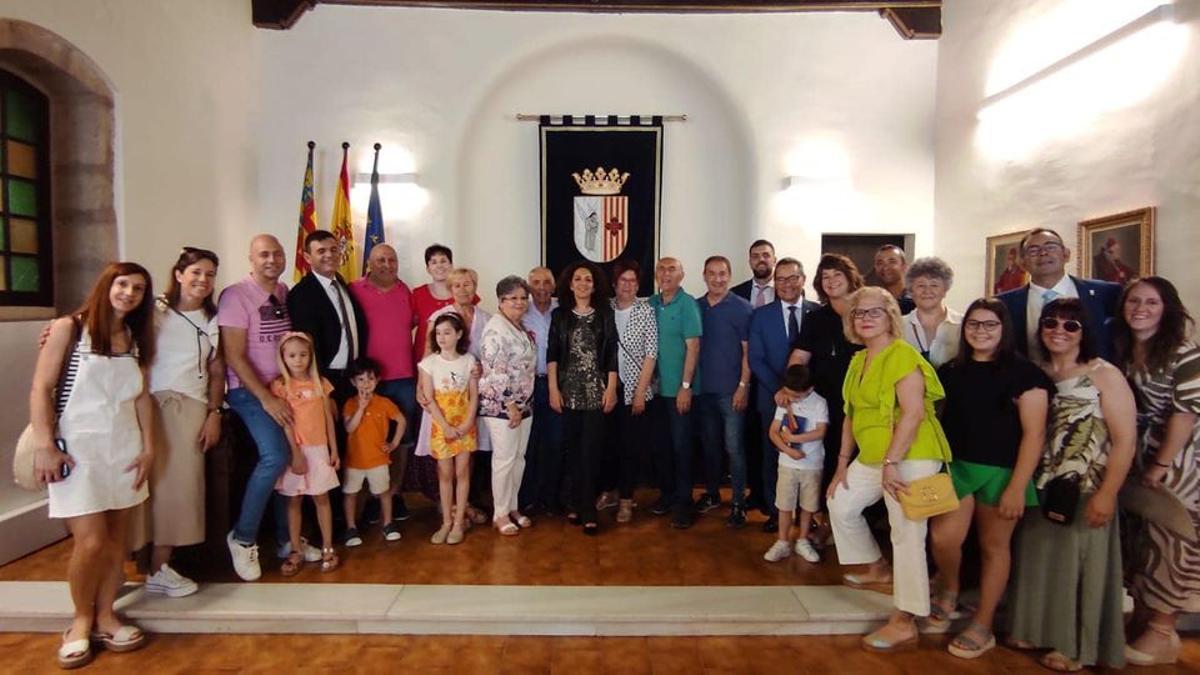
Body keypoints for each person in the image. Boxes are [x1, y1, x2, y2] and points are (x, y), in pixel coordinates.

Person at [30, 262, 156, 667]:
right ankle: (80, 619)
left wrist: (150, 448)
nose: (129, 293)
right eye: (123, 284)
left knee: (117, 541)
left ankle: (106, 614)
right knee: (91, 541)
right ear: (107, 285)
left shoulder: (134, 337)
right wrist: (45, 444)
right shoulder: (69, 329)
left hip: (124, 448)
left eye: (137, 288)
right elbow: (42, 388)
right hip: (77, 449)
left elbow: (141, 397)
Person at [1007, 298, 1136, 671]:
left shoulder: (1103, 374)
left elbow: (1125, 439)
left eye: (1070, 325)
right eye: (1051, 323)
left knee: (1080, 568)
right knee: (1041, 561)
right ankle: (1036, 630)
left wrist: (1108, 493)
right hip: (1042, 483)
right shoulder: (1037, 373)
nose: (1058, 331)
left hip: (1087, 486)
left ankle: (1077, 646)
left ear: (1084, 332)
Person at [825, 286, 952, 652]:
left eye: (873, 312)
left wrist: (891, 463)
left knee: (907, 532)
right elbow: (850, 416)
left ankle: (906, 618)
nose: (864, 319)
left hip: (911, 455)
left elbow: (912, 414)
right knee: (841, 502)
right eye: (858, 314)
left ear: (890, 316)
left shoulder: (902, 355)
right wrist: (840, 466)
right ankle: (877, 567)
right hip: (873, 456)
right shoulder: (857, 360)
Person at [928, 298, 1052, 659]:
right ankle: (949, 587)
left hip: (1002, 472)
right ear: (964, 330)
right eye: (974, 325)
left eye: (989, 325)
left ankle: (982, 624)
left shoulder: (1025, 374)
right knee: (944, 538)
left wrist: (1017, 486)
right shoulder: (951, 370)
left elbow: (1035, 434)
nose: (980, 331)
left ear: (1003, 330)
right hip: (956, 467)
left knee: (993, 548)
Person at [1112, 277, 1200, 666]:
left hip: (1178, 459)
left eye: (1151, 302)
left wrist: (1162, 463)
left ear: (1167, 308)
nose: (1140, 308)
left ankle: (1163, 628)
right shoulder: (1125, 349)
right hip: (1137, 452)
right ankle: (1147, 618)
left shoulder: (1183, 353)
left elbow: (1186, 414)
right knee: (1141, 540)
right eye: (1134, 300)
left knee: (1173, 540)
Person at [219, 234, 316, 581]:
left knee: (294, 459)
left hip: (283, 389)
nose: (271, 259)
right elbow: (233, 353)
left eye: (277, 254)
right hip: (249, 392)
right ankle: (243, 538)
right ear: (251, 259)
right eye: (263, 254)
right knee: (275, 456)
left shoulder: (283, 293)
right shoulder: (235, 295)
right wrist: (266, 397)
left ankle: (285, 540)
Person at [144, 248, 225, 598]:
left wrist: (214, 413)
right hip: (150, 404)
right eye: (196, 272)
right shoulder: (154, 312)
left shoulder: (213, 319)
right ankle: (131, 564)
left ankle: (161, 566)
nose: (203, 280)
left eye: (209, 274)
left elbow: (217, 371)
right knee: (143, 487)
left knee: (179, 489)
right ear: (179, 274)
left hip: (191, 407)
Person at [787, 254, 865, 518]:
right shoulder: (816, 318)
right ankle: (829, 519)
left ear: (850, 277)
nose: (831, 281)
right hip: (826, 400)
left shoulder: (865, 312)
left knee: (860, 459)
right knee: (829, 457)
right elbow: (800, 356)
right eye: (826, 277)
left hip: (864, 402)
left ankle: (860, 518)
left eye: (837, 275)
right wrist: (790, 385)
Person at [348, 243, 418, 523]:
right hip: (369, 381)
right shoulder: (354, 290)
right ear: (369, 264)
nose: (387, 264)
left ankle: (395, 494)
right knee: (367, 440)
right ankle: (371, 499)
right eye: (380, 260)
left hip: (403, 377)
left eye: (392, 259)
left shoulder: (406, 292)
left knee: (402, 440)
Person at [548, 260, 619, 535]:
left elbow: (611, 353)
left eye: (588, 279)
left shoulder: (604, 314)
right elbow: (552, 355)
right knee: (573, 451)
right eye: (577, 278)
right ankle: (575, 503)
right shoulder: (560, 316)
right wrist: (554, 389)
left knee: (591, 451)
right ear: (569, 283)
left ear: (594, 285)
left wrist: (611, 388)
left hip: (596, 393)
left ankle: (589, 509)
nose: (582, 283)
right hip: (568, 392)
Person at [750, 257, 820, 532]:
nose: (787, 284)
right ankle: (776, 510)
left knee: (811, 457)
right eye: (781, 279)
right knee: (774, 456)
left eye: (793, 278)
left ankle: (809, 514)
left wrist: (804, 393)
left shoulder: (818, 313)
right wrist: (782, 390)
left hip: (812, 402)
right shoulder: (761, 315)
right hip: (773, 397)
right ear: (774, 283)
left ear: (803, 279)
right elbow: (756, 358)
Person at [418, 267, 492, 524]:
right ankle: (447, 509)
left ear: (475, 286)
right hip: (443, 396)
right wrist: (421, 386)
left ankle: (465, 504)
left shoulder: (485, 317)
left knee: (469, 451)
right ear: (450, 290)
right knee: (445, 454)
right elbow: (428, 353)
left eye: (468, 284)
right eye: (457, 285)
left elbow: (489, 354)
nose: (463, 289)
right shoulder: (440, 316)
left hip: (473, 393)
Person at [271, 332, 341, 575]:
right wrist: (294, 453)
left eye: (303, 355)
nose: (298, 360)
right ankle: (295, 548)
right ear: (283, 358)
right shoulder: (281, 387)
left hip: (319, 448)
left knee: (322, 497)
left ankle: (328, 547)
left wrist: (333, 448)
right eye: (292, 355)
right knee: (294, 499)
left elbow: (328, 419)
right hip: (297, 450)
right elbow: (286, 423)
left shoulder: (320, 383)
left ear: (310, 356)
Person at [996, 228, 1121, 362]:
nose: (1043, 253)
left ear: (1066, 254)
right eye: (1033, 250)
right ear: (1022, 262)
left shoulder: (1106, 293)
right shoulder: (1004, 304)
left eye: (1051, 247)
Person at [696, 255, 753, 526]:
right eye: (712, 273)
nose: (718, 279)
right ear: (704, 275)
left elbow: (747, 353)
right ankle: (712, 494)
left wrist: (743, 386)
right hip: (703, 391)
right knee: (709, 447)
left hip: (731, 393)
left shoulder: (743, 308)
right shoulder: (696, 307)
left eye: (723, 274)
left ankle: (739, 503)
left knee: (734, 449)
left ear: (729, 276)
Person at [601, 259, 659, 524]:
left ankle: (626, 499)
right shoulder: (605, 308)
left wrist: (640, 391)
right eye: (623, 280)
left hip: (636, 390)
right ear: (615, 284)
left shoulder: (646, 311)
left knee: (630, 448)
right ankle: (610, 491)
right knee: (608, 445)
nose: (628, 285)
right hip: (608, 389)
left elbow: (651, 354)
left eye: (633, 281)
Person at [480, 275, 538, 536]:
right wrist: (511, 405)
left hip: (525, 405)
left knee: (518, 459)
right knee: (504, 460)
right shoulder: (495, 330)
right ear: (501, 301)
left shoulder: (519, 326)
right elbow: (495, 372)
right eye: (512, 298)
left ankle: (513, 506)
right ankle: (500, 513)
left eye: (523, 298)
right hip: (503, 408)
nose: (519, 302)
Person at [650, 256, 703, 529]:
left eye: (672, 269)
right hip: (655, 391)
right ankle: (667, 495)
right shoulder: (652, 303)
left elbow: (693, 347)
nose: (666, 273)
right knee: (662, 447)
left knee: (682, 447)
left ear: (682, 275)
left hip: (678, 391)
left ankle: (684, 502)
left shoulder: (688, 304)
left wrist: (685, 387)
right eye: (662, 268)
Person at [286, 230, 368, 400]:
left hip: (352, 374)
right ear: (308, 258)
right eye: (321, 251)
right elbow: (307, 344)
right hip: (326, 378)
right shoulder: (301, 293)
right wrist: (318, 383)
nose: (329, 255)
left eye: (333, 249)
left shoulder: (341, 284)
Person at [419, 313, 479, 545]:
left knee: (462, 472)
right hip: (441, 426)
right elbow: (429, 397)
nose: (442, 337)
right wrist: (444, 426)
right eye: (438, 333)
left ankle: (458, 521)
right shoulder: (429, 363)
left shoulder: (468, 361)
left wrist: (467, 423)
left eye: (447, 332)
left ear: (459, 334)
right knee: (444, 473)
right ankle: (446, 521)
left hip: (465, 425)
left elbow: (474, 395)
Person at [763, 364, 827, 564]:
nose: (792, 399)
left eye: (797, 396)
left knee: (808, 504)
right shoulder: (784, 402)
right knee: (784, 503)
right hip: (787, 463)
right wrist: (787, 448)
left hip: (812, 464)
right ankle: (782, 541)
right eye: (789, 394)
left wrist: (795, 439)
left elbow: (820, 431)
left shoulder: (819, 403)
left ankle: (803, 540)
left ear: (809, 389)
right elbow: (773, 431)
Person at [341, 357, 405, 547]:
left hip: (379, 459)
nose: (366, 384)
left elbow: (401, 420)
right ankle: (350, 527)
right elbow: (349, 428)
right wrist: (360, 408)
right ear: (353, 382)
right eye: (360, 379)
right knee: (351, 493)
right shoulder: (350, 404)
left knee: (383, 492)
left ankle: (387, 523)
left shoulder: (384, 403)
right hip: (354, 460)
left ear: (377, 380)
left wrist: (394, 443)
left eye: (370, 379)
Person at [520, 266, 563, 515]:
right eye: (536, 282)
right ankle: (527, 498)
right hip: (528, 384)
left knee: (556, 442)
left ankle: (552, 498)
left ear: (554, 286)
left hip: (556, 384)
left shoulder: (562, 310)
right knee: (529, 443)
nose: (542, 288)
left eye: (547, 282)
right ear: (529, 287)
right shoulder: (520, 311)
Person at [900, 257, 961, 368]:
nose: (927, 291)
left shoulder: (962, 324)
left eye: (934, 285)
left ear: (945, 290)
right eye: (920, 285)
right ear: (911, 290)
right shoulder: (898, 325)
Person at [731, 239, 777, 308]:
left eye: (766, 255)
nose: (761, 259)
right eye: (755, 256)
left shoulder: (785, 291)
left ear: (774, 260)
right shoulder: (735, 294)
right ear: (750, 263)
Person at [871, 244, 915, 314]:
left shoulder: (915, 301)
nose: (885, 267)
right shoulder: (873, 302)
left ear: (904, 267)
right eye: (880, 263)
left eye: (892, 262)